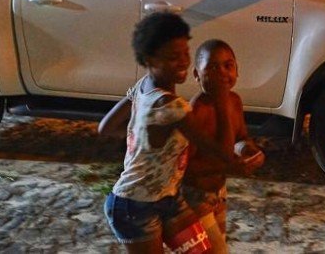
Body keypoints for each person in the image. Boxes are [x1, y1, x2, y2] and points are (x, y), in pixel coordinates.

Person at [99, 13, 257, 253]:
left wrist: (144, 139)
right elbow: (224, 154)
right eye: (173, 57)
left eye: (185, 53)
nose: (183, 62)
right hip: (135, 205)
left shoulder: (144, 86)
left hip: (168, 199)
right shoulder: (172, 107)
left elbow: (106, 127)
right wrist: (221, 96)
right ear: (149, 60)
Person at [182, 39, 264, 252]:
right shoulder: (196, 112)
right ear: (196, 74)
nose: (221, 73)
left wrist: (248, 150)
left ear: (238, 70)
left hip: (218, 192)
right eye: (212, 67)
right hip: (194, 195)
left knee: (216, 243)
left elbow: (240, 137)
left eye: (228, 66)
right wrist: (228, 167)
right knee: (217, 250)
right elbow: (185, 168)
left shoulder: (234, 101)